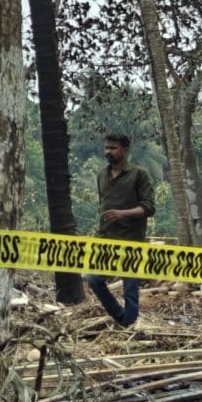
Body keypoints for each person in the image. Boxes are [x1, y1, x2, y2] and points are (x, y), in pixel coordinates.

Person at [87, 132, 153, 325]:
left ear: (125, 150)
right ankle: (120, 316)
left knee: (130, 287)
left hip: (131, 239)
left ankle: (129, 324)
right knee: (94, 279)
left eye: (113, 148)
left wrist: (122, 213)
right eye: (106, 147)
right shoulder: (102, 175)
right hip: (106, 238)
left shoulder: (139, 174)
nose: (108, 151)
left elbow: (149, 207)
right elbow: (103, 204)